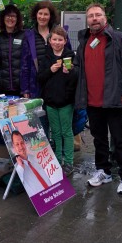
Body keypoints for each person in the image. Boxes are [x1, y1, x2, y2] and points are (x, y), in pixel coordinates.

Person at [73, 3, 122, 195]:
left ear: (105, 18)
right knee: (99, 139)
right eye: (91, 16)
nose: (94, 18)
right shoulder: (84, 40)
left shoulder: (117, 38)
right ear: (87, 21)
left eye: (98, 15)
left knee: (119, 139)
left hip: (115, 100)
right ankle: (104, 171)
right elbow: (79, 67)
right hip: (92, 101)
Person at [37, 26, 77, 175]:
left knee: (66, 132)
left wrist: (70, 72)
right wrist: (51, 70)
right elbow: (40, 78)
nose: (57, 42)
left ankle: (69, 162)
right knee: (56, 132)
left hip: (66, 102)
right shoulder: (46, 57)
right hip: (51, 102)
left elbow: (77, 78)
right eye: (54, 39)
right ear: (50, 40)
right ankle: (58, 160)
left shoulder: (70, 56)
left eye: (60, 39)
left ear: (65, 41)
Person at [21, 0, 60, 99]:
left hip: (56, 83)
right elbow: (25, 65)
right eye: (40, 13)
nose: (42, 17)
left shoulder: (59, 33)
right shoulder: (29, 36)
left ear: (50, 16)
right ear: (36, 14)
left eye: (46, 14)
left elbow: (68, 55)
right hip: (36, 84)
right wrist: (25, 89)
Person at [0, 4, 25, 96]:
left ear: (17, 19)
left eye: (13, 16)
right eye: (8, 16)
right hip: (4, 85)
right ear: (3, 18)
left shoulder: (24, 36)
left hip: (22, 85)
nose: (10, 18)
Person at [11, 130, 52, 196]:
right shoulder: (17, 168)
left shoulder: (36, 158)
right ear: (14, 147)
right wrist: (21, 166)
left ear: (25, 143)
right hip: (39, 199)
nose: (21, 147)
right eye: (17, 144)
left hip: (54, 193)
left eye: (22, 143)